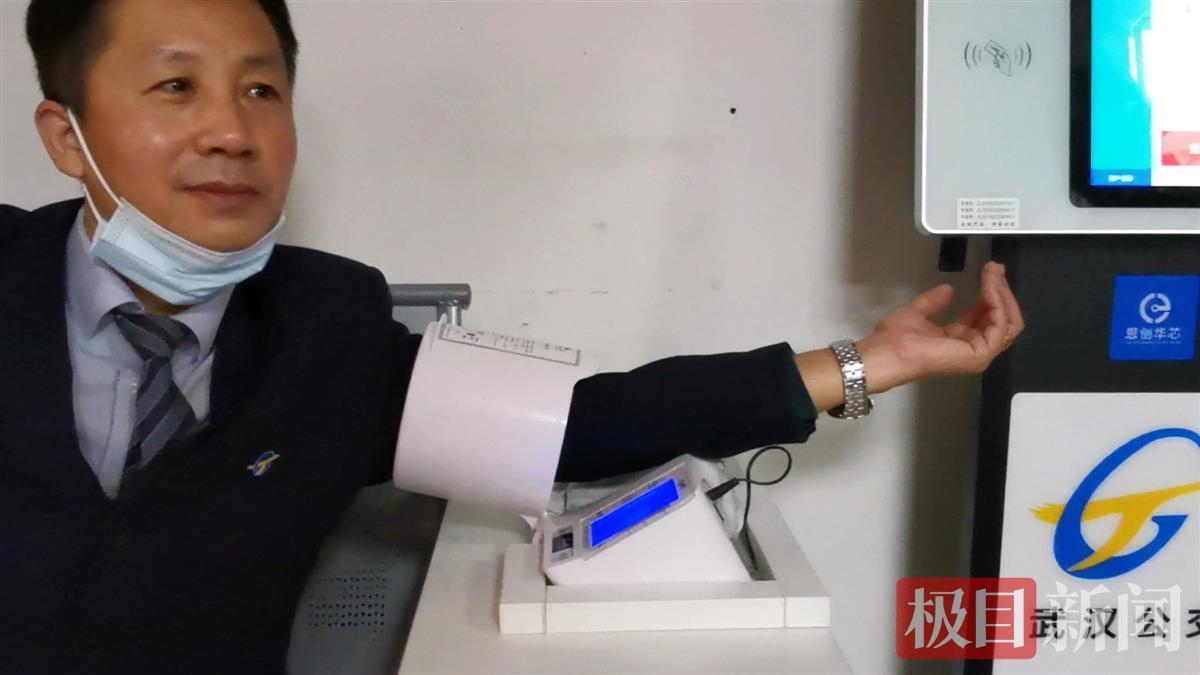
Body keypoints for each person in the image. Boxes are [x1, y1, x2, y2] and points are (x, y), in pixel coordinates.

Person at [0, 1, 1025, 673]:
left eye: (261, 89)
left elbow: (582, 424)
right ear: (65, 135)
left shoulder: (326, 328)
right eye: (175, 86)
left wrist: (868, 362)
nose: (232, 131)